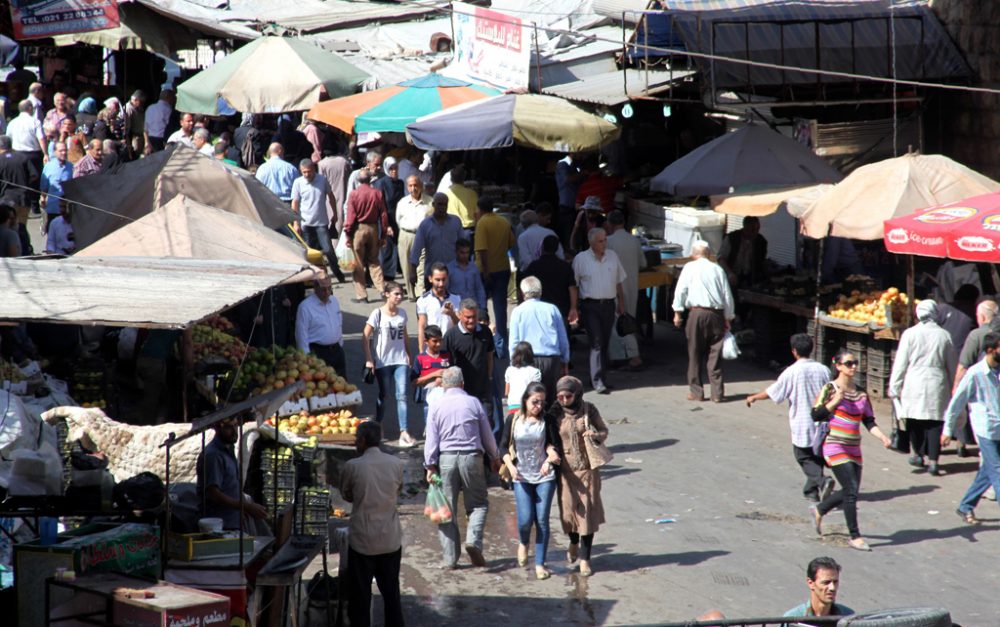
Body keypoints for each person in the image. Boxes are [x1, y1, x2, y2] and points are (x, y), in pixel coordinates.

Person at [810, 348, 892, 551]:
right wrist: (835, 402)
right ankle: (855, 536)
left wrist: (882, 436)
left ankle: (820, 509)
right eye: (848, 363)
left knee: (850, 490)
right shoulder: (830, 389)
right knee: (851, 490)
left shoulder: (861, 392)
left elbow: (869, 421)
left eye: (855, 362)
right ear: (838, 366)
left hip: (854, 447)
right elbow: (815, 414)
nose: (853, 366)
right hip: (834, 445)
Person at [423, 367, 501, 568]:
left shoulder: (437, 405)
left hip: (446, 460)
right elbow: (487, 434)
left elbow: (431, 439)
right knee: (478, 504)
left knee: (446, 509)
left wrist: (430, 465)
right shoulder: (473, 402)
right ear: (462, 384)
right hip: (472, 458)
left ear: (443, 385)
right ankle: (473, 540)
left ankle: (449, 559)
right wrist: (495, 456)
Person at [746, 333, 834, 503]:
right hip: (822, 422)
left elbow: (773, 392)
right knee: (816, 456)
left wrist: (754, 397)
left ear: (794, 351)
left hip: (803, 422)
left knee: (803, 456)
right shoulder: (824, 370)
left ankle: (823, 481)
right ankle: (811, 491)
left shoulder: (791, 372)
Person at [340, 421, 405, 627]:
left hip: (363, 541)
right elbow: (397, 491)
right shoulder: (396, 464)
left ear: (363, 440)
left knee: (360, 598)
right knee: (391, 595)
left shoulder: (353, 466)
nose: (355, 443)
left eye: (357, 439)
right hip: (389, 539)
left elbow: (346, 494)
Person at [500, 381, 560, 580]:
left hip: (545, 477)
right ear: (525, 400)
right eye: (535, 402)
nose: (539, 406)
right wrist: (510, 466)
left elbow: (555, 446)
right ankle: (524, 542)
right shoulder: (513, 420)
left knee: (542, 520)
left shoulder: (548, 420)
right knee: (525, 520)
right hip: (521, 477)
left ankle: (540, 564)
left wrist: (550, 459)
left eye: (542, 403)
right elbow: (502, 448)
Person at [889, 300, 956, 476]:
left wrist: (894, 386)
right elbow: (952, 365)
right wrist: (953, 387)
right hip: (937, 382)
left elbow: (900, 363)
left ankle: (918, 455)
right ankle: (934, 462)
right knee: (935, 421)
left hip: (914, 382)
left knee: (914, 419)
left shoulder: (910, 334)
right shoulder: (944, 335)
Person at [548, 375, 607, 577]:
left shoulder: (589, 409)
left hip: (587, 469)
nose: (564, 400)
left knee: (587, 512)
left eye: (568, 396)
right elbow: (546, 436)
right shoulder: (554, 413)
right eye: (560, 396)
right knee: (567, 513)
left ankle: (585, 558)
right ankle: (573, 541)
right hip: (565, 471)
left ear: (577, 394)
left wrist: (595, 435)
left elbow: (603, 430)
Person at [943, 331, 1000, 525]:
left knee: (988, 472)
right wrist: (947, 430)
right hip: (986, 430)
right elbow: (956, 402)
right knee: (998, 471)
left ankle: (965, 506)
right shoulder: (975, 373)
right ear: (991, 350)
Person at [671, 240, 735, 403]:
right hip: (716, 315)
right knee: (715, 355)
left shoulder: (689, 267)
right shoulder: (717, 269)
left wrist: (677, 313)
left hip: (696, 314)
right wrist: (728, 317)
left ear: (694, 254)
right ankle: (717, 394)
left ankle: (697, 393)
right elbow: (727, 296)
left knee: (695, 353)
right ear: (708, 253)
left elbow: (681, 291)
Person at [572, 228, 626, 395]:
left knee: (605, 342)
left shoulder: (612, 256)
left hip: (608, 304)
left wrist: (621, 302)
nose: (604, 244)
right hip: (590, 306)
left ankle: (601, 376)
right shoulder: (581, 259)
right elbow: (574, 285)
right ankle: (597, 381)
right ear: (592, 243)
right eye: (600, 241)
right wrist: (574, 308)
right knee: (596, 342)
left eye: (605, 240)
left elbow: (618, 282)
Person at [363, 282, 415, 447]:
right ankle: (378, 424)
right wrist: (369, 359)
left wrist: (409, 354)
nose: (400, 297)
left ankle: (404, 432)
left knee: (402, 395)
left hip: (400, 361)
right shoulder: (377, 313)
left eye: (401, 294)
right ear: (387, 294)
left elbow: (405, 336)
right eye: (396, 294)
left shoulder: (402, 314)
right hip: (383, 362)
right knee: (384, 395)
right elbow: (365, 337)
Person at [196, 415, 267, 530]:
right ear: (218, 429)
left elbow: (231, 486)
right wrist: (245, 506)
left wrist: (241, 511)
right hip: (218, 526)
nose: (234, 431)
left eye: (235, 426)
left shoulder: (228, 451)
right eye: (229, 428)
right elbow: (213, 493)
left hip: (232, 521)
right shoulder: (214, 455)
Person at [509, 276, 570, 403]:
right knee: (551, 400)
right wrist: (565, 360)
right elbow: (562, 337)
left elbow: (514, 342)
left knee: (532, 402)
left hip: (527, 361)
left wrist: (513, 364)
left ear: (522, 292)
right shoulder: (552, 309)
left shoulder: (518, 311)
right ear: (540, 292)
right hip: (551, 360)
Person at [953, 298, 1000, 457]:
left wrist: (956, 387)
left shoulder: (977, 335)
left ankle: (965, 446)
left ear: (982, 317)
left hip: (983, 389)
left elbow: (963, 365)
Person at [443, 299, 496, 423]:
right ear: (460, 315)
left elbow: (489, 355)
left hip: (483, 390)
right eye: (467, 317)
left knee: (486, 422)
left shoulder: (485, 332)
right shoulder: (451, 335)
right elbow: (446, 363)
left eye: (474, 316)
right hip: (461, 391)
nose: (471, 321)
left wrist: (489, 377)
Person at [605, 209, 645, 370]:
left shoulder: (609, 241)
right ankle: (621, 356)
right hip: (631, 285)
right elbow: (643, 263)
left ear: (610, 224)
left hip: (615, 287)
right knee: (627, 320)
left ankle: (633, 356)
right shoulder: (634, 240)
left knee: (619, 322)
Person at [293, 158, 345, 282]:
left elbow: (331, 196)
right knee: (309, 252)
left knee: (328, 249)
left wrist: (335, 214)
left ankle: (338, 273)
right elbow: (295, 203)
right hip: (305, 222)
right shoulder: (298, 182)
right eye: (304, 172)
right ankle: (312, 277)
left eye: (309, 172)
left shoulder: (322, 180)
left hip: (321, 222)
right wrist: (296, 222)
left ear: (314, 170)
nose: (306, 175)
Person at [474, 196, 515, 349]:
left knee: (482, 305)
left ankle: (483, 340)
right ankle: (502, 342)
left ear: (480, 209)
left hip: (486, 271)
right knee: (500, 307)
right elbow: (511, 242)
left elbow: (482, 249)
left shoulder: (482, 223)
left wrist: (485, 271)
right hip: (503, 268)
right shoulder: (504, 222)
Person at [344, 169, 389, 303]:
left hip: (359, 229)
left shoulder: (354, 194)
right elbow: (383, 216)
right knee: (374, 261)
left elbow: (350, 217)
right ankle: (381, 290)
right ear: (370, 180)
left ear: (358, 180)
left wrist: (347, 234)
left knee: (358, 263)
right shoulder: (377, 193)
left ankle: (362, 296)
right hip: (373, 228)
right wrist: (383, 235)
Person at [523, 235, 578, 333]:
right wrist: (573, 308)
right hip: (561, 310)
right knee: (561, 341)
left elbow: (524, 287)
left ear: (543, 247)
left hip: (539, 310)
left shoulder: (534, 266)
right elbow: (572, 288)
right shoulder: (565, 266)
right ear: (557, 248)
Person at [409, 193, 464, 290]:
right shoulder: (425, 225)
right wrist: (413, 271)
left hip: (453, 273)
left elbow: (462, 246)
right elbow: (417, 248)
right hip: (433, 274)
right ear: (434, 205)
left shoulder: (456, 222)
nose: (442, 207)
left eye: (444, 205)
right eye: (439, 204)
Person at [295, 278, 346, 377]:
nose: (327, 292)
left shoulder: (334, 301)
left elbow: (339, 322)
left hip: (337, 350)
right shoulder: (305, 307)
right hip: (318, 353)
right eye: (323, 289)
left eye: (329, 289)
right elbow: (301, 334)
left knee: (342, 384)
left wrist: (340, 343)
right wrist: (306, 358)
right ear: (315, 288)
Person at [396, 174, 433, 300]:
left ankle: (420, 292)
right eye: (411, 186)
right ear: (407, 187)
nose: (413, 188)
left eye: (416, 185)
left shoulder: (429, 202)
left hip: (422, 236)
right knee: (406, 265)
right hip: (406, 235)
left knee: (421, 266)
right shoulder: (402, 203)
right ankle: (411, 293)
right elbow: (398, 219)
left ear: (421, 186)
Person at [783, 557, 854, 619]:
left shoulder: (848, 617)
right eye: (826, 582)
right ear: (810, 583)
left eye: (835, 582)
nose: (832, 588)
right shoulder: (793, 618)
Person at [415, 262, 461, 354]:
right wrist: (421, 351)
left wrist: (452, 314)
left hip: (450, 345)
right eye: (437, 280)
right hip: (432, 345)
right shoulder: (423, 300)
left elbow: (459, 325)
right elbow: (422, 326)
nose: (441, 284)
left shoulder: (456, 299)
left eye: (444, 280)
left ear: (447, 279)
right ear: (430, 279)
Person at [375, 157, 405, 279]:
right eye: (391, 169)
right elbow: (380, 207)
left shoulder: (400, 183)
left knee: (398, 247)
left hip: (398, 220)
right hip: (386, 220)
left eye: (395, 168)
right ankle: (387, 280)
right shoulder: (381, 183)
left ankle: (397, 272)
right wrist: (386, 225)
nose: (394, 171)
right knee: (388, 250)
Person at [412, 324, 451, 415]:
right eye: (435, 341)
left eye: (440, 340)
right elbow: (414, 382)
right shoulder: (420, 358)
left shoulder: (447, 355)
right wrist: (434, 375)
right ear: (426, 341)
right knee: (431, 428)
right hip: (429, 401)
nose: (438, 344)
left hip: (446, 400)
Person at [718, 216, 768, 287]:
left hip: (750, 278)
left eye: (757, 229)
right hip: (732, 276)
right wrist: (729, 273)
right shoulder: (732, 238)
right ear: (745, 228)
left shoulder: (761, 241)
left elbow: (761, 262)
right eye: (753, 230)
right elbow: (721, 258)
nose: (756, 233)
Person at [39, 141, 73, 234]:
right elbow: (44, 187)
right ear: (54, 152)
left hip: (67, 209)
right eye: (61, 150)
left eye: (65, 150)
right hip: (53, 208)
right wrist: (43, 198)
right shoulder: (48, 167)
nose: (64, 153)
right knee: (52, 235)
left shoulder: (71, 167)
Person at [516, 207, 564, 271]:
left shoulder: (522, 237)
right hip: (552, 272)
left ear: (523, 224)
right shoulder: (551, 232)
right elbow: (561, 255)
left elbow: (526, 261)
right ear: (537, 220)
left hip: (533, 274)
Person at [318, 146, 351, 235]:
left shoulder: (322, 163)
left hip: (328, 196)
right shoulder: (344, 161)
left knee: (330, 219)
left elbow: (321, 182)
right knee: (342, 218)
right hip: (344, 193)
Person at [505, 342, 542, 418]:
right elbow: (535, 392)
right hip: (528, 406)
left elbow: (506, 392)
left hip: (513, 406)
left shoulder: (509, 370)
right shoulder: (535, 372)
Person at [446, 239, 486, 310]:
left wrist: (483, 307)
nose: (465, 255)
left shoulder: (474, 268)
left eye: (467, 252)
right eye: (462, 252)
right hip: (456, 308)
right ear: (456, 252)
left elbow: (479, 289)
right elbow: (446, 291)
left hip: (473, 308)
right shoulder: (449, 269)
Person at [555, 153, 586, 246]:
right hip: (567, 205)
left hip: (576, 205)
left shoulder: (575, 167)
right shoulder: (562, 164)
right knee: (568, 232)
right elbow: (567, 179)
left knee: (576, 231)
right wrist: (583, 173)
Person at [443, 165, 477, 229]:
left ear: (451, 179)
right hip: (469, 229)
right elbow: (477, 214)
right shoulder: (472, 193)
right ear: (464, 177)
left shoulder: (445, 193)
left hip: (452, 228)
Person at [144, 89, 174, 153]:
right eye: (173, 97)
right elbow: (169, 127)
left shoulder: (150, 108)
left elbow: (145, 128)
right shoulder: (169, 110)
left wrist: (146, 142)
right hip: (162, 140)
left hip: (150, 139)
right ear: (168, 97)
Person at [123, 90, 147, 158]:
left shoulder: (139, 107)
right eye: (141, 101)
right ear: (136, 100)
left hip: (142, 136)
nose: (142, 103)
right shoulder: (128, 109)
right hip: (135, 137)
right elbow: (126, 129)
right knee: (136, 155)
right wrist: (128, 144)